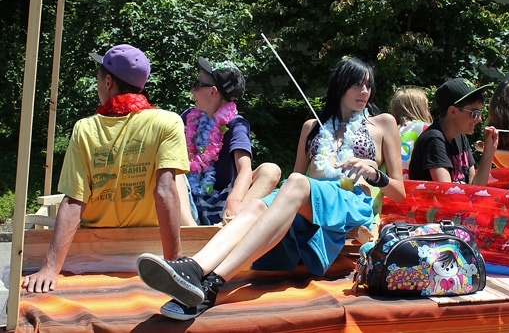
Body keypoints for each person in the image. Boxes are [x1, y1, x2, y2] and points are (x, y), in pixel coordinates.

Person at [135, 57, 406, 320]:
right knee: (257, 205)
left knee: (295, 183)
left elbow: (399, 192)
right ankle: (194, 268)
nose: (365, 91)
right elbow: (297, 178)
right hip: (310, 202)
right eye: (357, 84)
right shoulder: (312, 127)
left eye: (368, 85)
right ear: (340, 85)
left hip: (349, 202)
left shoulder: (382, 123)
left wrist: (374, 174)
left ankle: (213, 283)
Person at [22, 44, 190, 293]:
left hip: (92, 254)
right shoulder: (168, 122)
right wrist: (174, 266)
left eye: (99, 78)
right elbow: (165, 191)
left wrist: (50, 269)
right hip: (150, 254)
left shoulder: (85, 128)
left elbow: (74, 201)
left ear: (108, 81)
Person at [179, 56, 281, 226]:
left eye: (197, 85)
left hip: (222, 203)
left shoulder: (235, 124)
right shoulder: (188, 118)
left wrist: (234, 201)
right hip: (189, 201)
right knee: (174, 175)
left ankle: (232, 222)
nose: (192, 91)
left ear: (213, 92)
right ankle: (191, 230)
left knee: (270, 170)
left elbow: (245, 169)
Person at [408, 78, 509, 195]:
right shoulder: (434, 140)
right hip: (444, 213)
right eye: (474, 113)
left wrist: (489, 151)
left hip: (466, 205)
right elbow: (448, 194)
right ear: (453, 112)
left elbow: (476, 186)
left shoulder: (460, 137)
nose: (479, 119)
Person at [389, 86, 433, 179]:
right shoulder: (426, 129)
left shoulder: (390, 130)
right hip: (415, 184)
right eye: (426, 106)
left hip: (394, 183)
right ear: (420, 109)